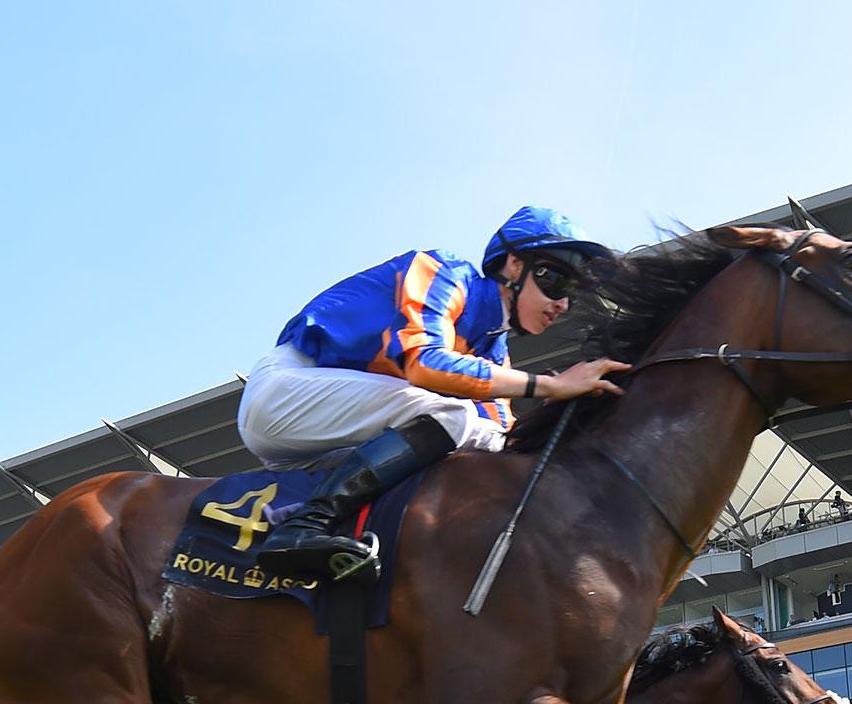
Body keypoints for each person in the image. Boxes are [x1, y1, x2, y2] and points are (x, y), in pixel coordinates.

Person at [239, 206, 623, 580]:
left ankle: (313, 526)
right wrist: (549, 385)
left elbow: (501, 442)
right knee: (451, 416)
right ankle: (306, 525)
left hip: (315, 440)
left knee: (475, 442)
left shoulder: (493, 352)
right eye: (556, 282)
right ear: (514, 265)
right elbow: (426, 363)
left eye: (573, 294)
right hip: (285, 392)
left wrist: (560, 411)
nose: (563, 304)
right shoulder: (444, 272)